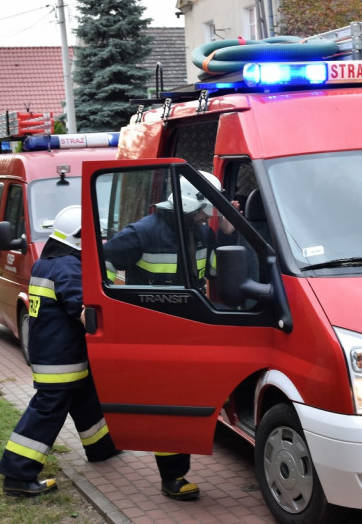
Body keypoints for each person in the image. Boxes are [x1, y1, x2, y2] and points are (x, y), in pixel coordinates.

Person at [101, 171, 237, 501]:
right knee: (167, 403)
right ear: (189, 204)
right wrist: (115, 302)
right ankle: (173, 477)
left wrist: (227, 236)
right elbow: (103, 261)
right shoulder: (143, 232)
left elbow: (216, 271)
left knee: (186, 400)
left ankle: (177, 466)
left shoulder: (203, 233)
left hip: (192, 327)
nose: (207, 217)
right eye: (204, 211)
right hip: (155, 330)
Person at [0, 205, 120, 497]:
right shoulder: (68, 267)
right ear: (78, 236)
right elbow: (83, 309)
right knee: (47, 412)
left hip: (54, 353)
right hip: (61, 359)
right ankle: (18, 474)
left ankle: (101, 448)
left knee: (86, 399)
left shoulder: (47, 262)